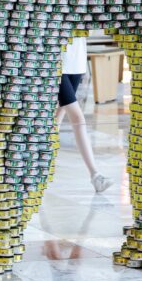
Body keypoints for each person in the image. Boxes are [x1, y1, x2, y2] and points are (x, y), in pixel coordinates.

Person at [55, 36, 112, 193]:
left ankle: (42, 164)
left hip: (77, 62)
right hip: (57, 63)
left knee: (58, 114)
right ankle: (95, 175)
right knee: (77, 118)